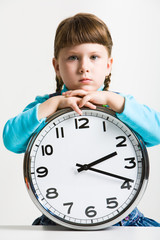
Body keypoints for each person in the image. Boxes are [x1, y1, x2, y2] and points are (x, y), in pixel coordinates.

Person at [3, 13, 160, 227]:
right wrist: (48, 107)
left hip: (121, 223)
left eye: (94, 57)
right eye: (73, 57)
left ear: (108, 65)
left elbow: (156, 133)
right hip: (60, 220)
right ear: (56, 67)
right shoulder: (46, 106)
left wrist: (114, 101)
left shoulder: (120, 104)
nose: (84, 67)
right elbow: (11, 141)